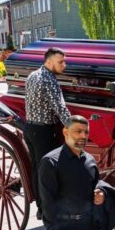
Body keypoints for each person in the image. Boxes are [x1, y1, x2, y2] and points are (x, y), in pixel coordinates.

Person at [25, 47, 72, 219]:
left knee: (37, 169)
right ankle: (48, 210)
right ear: (49, 61)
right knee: (48, 172)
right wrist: (74, 127)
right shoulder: (49, 79)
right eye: (61, 62)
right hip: (43, 131)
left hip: (30, 129)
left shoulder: (32, 75)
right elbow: (60, 108)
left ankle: (41, 207)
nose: (64, 65)